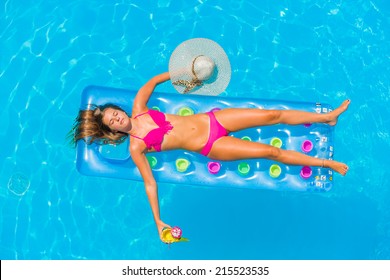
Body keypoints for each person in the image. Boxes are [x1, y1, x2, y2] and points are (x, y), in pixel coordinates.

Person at [70, 72, 350, 242]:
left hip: (213, 119)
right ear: (112, 130)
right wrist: (158, 221)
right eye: (112, 121)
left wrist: (188, 74)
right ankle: (326, 164)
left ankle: (327, 118)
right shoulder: (135, 147)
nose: (117, 117)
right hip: (211, 146)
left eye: (114, 113)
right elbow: (150, 184)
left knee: (271, 115)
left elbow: (154, 80)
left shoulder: (140, 106)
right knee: (270, 152)